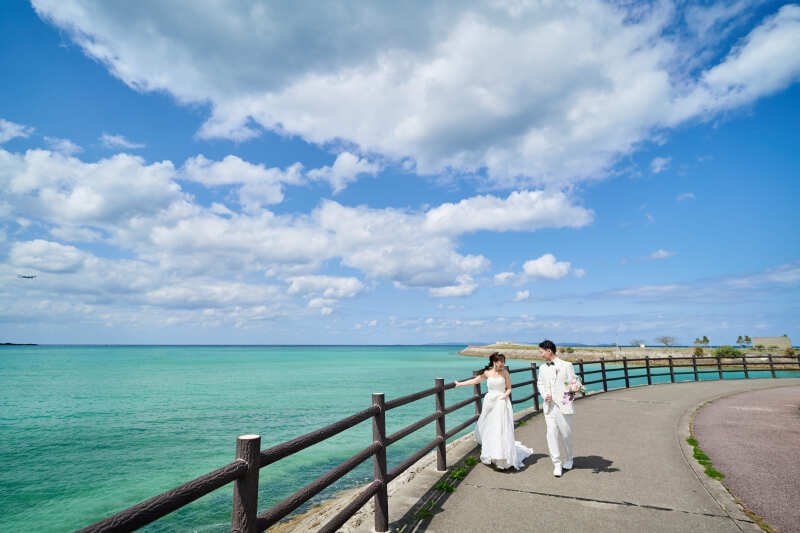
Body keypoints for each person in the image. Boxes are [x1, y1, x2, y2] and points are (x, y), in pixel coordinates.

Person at [454, 352, 533, 470]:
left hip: (501, 403)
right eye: (500, 361)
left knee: (500, 428)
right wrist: (460, 384)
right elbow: (475, 381)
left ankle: (501, 456)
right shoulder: (487, 373)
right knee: (489, 427)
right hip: (489, 403)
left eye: (503, 361)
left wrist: (504, 396)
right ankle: (491, 453)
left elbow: (509, 388)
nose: (502, 364)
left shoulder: (505, 372)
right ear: (494, 362)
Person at [536, 339, 581, 477]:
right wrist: (545, 395)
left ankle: (569, 459)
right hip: (549, 407)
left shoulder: (567, 365)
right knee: (551, 434)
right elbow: (540, 384)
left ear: (549, 351)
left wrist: (568, 399)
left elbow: (574, 383)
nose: (540, 355)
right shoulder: (542, 368)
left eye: (541, 352)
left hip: (563, 406)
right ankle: (556, 463)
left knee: (566, 434)